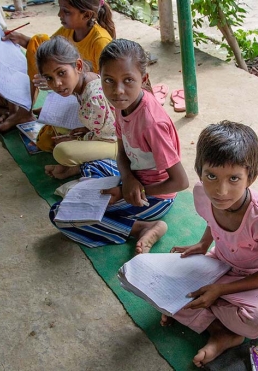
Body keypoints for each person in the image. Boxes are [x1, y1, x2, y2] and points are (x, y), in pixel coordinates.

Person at [163, 121, 258, 368]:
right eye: (211, 176)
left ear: (250, 177)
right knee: (157, 286)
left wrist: (218, 291)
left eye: (233, 178)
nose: (220, 191)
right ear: (200, 172)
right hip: (218, 264)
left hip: (254, 277)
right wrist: (202, 244)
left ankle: (211, 319)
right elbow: (211, 220)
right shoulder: (201, 193)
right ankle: (221, 330)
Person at [48, 39, 189, 253]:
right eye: (109, 81)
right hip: (133, 179)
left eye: (128, 80)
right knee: (92, 166)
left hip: (154, 196)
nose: (118, 90)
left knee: (60, 214)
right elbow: (121, 150)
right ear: (99, 78)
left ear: (144, 79)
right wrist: (129, 178)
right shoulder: (121, 105)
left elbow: (180, 182)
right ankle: (96, 188)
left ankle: (142, 227)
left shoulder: (151, 124)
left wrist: (128, 191)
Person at [3, 0, 115, 106]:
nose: (59, 14)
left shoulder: (101, 41)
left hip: (95, 99)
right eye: (60, 9)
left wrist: (57, 79)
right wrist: (22, 39)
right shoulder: (69, 30)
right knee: (37, 40)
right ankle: (25, 109)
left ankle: (25, 112)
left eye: (66, 11)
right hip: (72, 90)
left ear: (86, 15)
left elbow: (106, 83)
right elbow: (48, 50)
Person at [35, 36, 118, 179]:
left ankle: (78, 167)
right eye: (49, 78)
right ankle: (77, 165)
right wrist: (85, 130)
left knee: (61, 151)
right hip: (102, 131)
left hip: (119, 144)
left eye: (61, 73)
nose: (57, 83)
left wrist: (79, 140)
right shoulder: (84, 81)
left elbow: (109, 135)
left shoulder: (93, 97)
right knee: (52, 135)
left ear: (78, 66)